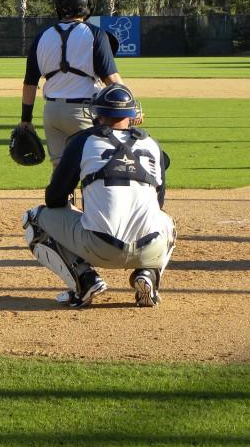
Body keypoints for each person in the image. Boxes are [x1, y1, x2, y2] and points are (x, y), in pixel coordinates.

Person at [21, 83, 177, 308]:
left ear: (98, 114)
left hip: (101, 248)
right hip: (150, 247)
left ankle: (85, 280)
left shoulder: (84, 141)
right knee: (167, 222)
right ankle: (149, 274)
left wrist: (75, 207)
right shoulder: (153, 145)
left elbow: (53, 199)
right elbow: (158, 202)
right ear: (132, 114)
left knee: (34, 218)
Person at [17, 0, 130, 168]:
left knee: (60, 171)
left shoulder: (41, 37)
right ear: (88, 7)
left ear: (59, 6)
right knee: (92, 167)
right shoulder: (96, 34)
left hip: (52, 112)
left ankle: (62, 198)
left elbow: (29, 84)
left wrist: (26, 120)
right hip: (84, 112)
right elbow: (111, 79)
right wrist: (127, 106)